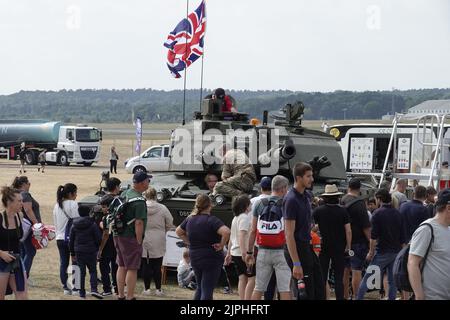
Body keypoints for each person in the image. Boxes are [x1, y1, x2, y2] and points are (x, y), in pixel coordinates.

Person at [175, 194, 231, 300]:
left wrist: (189, 242)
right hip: (211, 256)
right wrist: (222, 245)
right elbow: (226, 232)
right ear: (210, 205)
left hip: (195, 255)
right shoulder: (212, 220)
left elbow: (178, 231)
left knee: (200, 287)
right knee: (207, 289)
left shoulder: (190, 219)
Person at [247, 175, 292, 300]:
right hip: (282, 251)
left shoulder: (259, 203)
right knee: (284, 288)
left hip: (262, 250)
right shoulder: (287, 205)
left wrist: (249, 252)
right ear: (283, 189)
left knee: (259, 287)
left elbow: (253, 230)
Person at [284, 163, 325, 300]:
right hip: (297, 249)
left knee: (319, 288)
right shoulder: (291, 200)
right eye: (308, 176)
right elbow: (289, 234)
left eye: (312, 175)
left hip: (308, 247)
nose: (312, 179)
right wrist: (296, 263)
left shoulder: (307, 196)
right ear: (298, 178)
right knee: (305, 293)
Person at [356, 188, 406, 300]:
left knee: (367, 278)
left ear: (379, 199)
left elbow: (373, 237)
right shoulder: (398, 213)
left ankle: (358, 298)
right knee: (392, 281)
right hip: (396, 252)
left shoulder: (377, 214)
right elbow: (402, 236)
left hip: (382, 252)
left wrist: (370, 252)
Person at [114, 171, 149, 300]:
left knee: (121, 265)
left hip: (118, 234)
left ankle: (121, 295)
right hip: (130, 237)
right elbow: (139, 222)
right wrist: (139, 240)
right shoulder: (139, 201)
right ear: (141, 183)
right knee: (132, 267)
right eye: (147, 181)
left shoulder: (125, 193)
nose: (148, 183)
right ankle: (130, 296)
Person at [408, 192, 450, 300]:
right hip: (431, 296)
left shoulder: (448, 229)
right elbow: (412, 263)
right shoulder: (427, 229)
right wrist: (419, 295)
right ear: (448, 207)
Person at [313, 184, 352, 300]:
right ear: (337, 197)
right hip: (339, 247)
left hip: (323, 246)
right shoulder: (343, 211)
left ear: (325, 198)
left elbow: (313, 228)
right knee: (339, 278)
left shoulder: (318, 211)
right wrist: (348, 247)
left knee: (322, 276)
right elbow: (348, 230)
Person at [340, 178, 371, 300]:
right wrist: (371, 241)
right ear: (359, 189)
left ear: (349, 187)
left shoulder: (342, 200)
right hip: (357, 242)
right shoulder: (360, 204)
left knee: (345, 271)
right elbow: (366, 226)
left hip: (344, 242)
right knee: (356, 271)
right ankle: (357, 297)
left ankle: (345, 296)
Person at [141, 187, 174, 296]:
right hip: (159, 237)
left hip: (144, 236)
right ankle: (158, 289)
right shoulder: (163, 208)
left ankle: (146, 289)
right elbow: (170, 222)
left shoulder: (141, 207)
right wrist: (165, 230)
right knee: (157, 265)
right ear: (156, 195)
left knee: (146, 265)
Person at [69, 205, 103, 299]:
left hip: (79, 251)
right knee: (93, 271)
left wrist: (72, 253)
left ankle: (82, 293)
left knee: (81, 272)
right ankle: (94, 289)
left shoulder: (74, 225)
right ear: (89, 213)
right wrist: (97, 248)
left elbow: (71, 240)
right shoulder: (92, 224)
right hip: (91, 251)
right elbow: (98, 239)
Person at [12, 176, 42, 279]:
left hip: (22, 227)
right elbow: (28, 210)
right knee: (30, 252)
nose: (30, 184)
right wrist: (37, 224)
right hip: (29, 228)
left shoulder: (17, 194)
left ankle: (21, 274)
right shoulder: (25, 194)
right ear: (23, 184)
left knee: (24, 252)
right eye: (28, 182)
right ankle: (22, 276)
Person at [0, 186, 27, 300]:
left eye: (22, 200)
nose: (22, 203)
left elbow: (20, 238)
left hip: (16, 261)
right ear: (9, 202)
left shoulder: (19, 216)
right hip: (1, 262)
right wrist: (1, 254)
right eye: (19, 201)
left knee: (23, 296)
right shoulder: (0, 217)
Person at [53, 183, 79, 295]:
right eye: (75, 192)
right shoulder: (73, 204)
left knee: (63, 262)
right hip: (71, 238)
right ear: (70, 193)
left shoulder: (57, 205)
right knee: (75, 262)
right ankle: (75, 287)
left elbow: (55, 222)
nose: (76, 195)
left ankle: (65, 287)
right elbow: (77, 221)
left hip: (59, 238)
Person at [225, 195, 253, 300]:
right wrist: (244, 253)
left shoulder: (235, 218)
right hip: (243, 253)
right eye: (250, 204)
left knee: (242, 278)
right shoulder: (245, 218)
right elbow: (242, 235)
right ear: (246, 206)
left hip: (234, 252)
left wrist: (228, 253)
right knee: (252, 278)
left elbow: (232, 237)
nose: (251, 205)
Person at [97, 194, 118, 296]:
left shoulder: (107, 217)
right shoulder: (118, 215)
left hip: (108, 245)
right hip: (118, 245)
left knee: (104, 267)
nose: (102, 209)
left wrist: (100, 249)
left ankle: (107, 289)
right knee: (116, 267)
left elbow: (105, 234)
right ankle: (118, 288)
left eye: (104, 207)